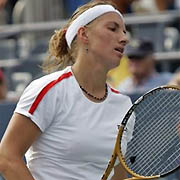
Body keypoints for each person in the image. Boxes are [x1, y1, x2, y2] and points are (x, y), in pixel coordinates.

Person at [0, 1, 135, 180]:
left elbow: (117, 173)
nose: (124, 38)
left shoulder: (124, 105)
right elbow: (7, 156)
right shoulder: (49, 91)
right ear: (84, 34)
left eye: (124, 31)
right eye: (113, 28)